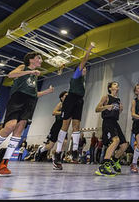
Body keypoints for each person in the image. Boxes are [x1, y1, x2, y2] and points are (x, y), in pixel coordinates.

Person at [0, 51, 54, 176]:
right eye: (39, 58)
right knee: (9, 126)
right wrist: (30, 72)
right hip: (17, 99)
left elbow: (34, 94)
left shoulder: (35, 76)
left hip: (29, 103)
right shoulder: (23, 67)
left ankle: (3, 164)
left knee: (19, 130)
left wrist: (48, 91)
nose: (41, 60)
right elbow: (11, 75)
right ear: (31, 59)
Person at [52, 42, 95, 170]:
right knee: (66, 125)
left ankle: (75, 150)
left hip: (79, 101)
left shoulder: (82, 81)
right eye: (84, 68)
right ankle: (58, 152)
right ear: (79, 69)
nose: (85, 69)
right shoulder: (76, 76)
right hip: (71, 99)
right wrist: (89, 49)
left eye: (86, 68)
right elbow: (84, 60)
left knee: (76, 125)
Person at [94, 81, 129, 176]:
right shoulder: (106, 97)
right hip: (107, 121)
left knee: (124, 145)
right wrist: (106, 106)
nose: (117, 86)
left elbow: (115, 112)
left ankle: (114, 160)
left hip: (115, 122)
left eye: (118, 85)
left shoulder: (118, 100)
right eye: (114, 84)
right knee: (116, 140)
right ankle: (104, 166)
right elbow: (97, 109)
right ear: (110, 88)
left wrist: (120, 110)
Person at [35, 91, 68, 164]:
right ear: (62, 98)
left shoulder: (68, 105)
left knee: (64, 142)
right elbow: (54, 112)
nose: (67, 97)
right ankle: (41, 149)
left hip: (64, 126)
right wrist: (62, 113)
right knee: (50, 146)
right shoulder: (60, 104)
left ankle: (55, 155)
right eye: (65, 96)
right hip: (57, 126)